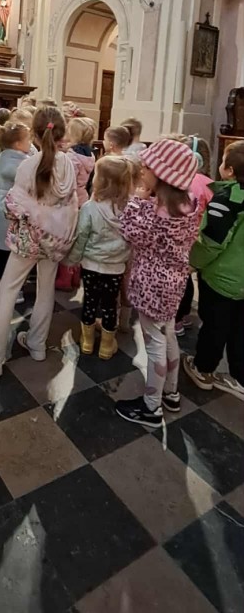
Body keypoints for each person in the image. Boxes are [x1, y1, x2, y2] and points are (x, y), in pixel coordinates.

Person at [0, 107, 78, 377]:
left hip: (29, 240)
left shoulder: (29, 165)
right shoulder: (68, 164)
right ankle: (37, 344)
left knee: (7, 290)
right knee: (45, 289)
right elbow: (71, 202)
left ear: (34, 133)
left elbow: (13, 205)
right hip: (55, 239)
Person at [115, 139, 201, 428]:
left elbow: (129, 231)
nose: (142, 170)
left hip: (152, 286)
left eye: (147, 166)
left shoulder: (156, 215)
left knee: (154, 345)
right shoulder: (188, 204)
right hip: (174, 283)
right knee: (168, 335)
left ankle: (151, 407)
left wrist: (137, 200)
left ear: (164, 175)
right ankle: (171, 393)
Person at [183, 140, 244, 400]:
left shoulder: (228, 199)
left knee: (215, 326)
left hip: (221, 278)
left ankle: (204, 369)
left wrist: (192, 262)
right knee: (240, 328)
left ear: (229, 170)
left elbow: (212, 242)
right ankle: (239, 377)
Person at [66, 156, 131, 359]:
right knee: (110, 305)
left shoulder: (89, 208)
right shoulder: (130, 209)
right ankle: (106, 345)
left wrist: (72, 260)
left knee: (90, 301)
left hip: (91, 265)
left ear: (99, 180)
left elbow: (81, 236)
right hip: (116, 267)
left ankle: (87, 342)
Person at [169, 135, 213, 336]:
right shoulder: (211, 184)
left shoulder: (183, 182)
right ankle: (198, 317)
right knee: (200, 282)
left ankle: (177, 319)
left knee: (182, 281)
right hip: (205, 242)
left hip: (184, 239)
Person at [0, 121, 31, 283]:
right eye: (28, 139)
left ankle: (1, 284)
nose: (30, 143)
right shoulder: (27, 163)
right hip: (20, 215)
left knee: (2, 254)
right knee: (18, 254)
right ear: (18, 144)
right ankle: (16, 289)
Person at [55, 116, 96, 291]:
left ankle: (64, 277)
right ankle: (75, 276)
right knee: (78, 239)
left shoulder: (71, 157)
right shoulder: (90, 154)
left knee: (67, 239)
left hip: (71, 199)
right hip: (83, 197)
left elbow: (67, 180)